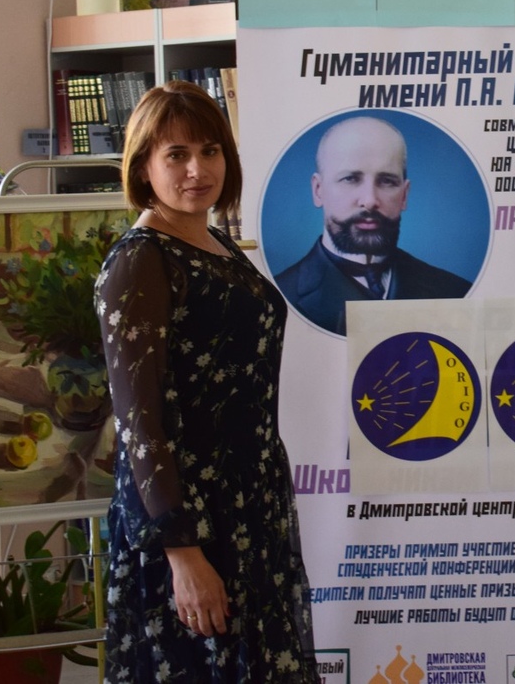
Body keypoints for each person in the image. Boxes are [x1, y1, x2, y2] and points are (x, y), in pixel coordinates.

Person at [95, 81, 316, 682]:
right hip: (189, 522)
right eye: (177, 155)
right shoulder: (140, 261)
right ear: (143, 166)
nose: (198, 169)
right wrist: (182, 555)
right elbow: (141, 427)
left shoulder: (213, 239)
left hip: (248, 506)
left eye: (210, 151)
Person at [276, 115, 472, 334]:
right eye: (350, 178)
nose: (369, 201)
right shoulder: (278, 296)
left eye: (387, 181)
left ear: (404, 195)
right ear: (318, 190)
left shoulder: (455, 292)